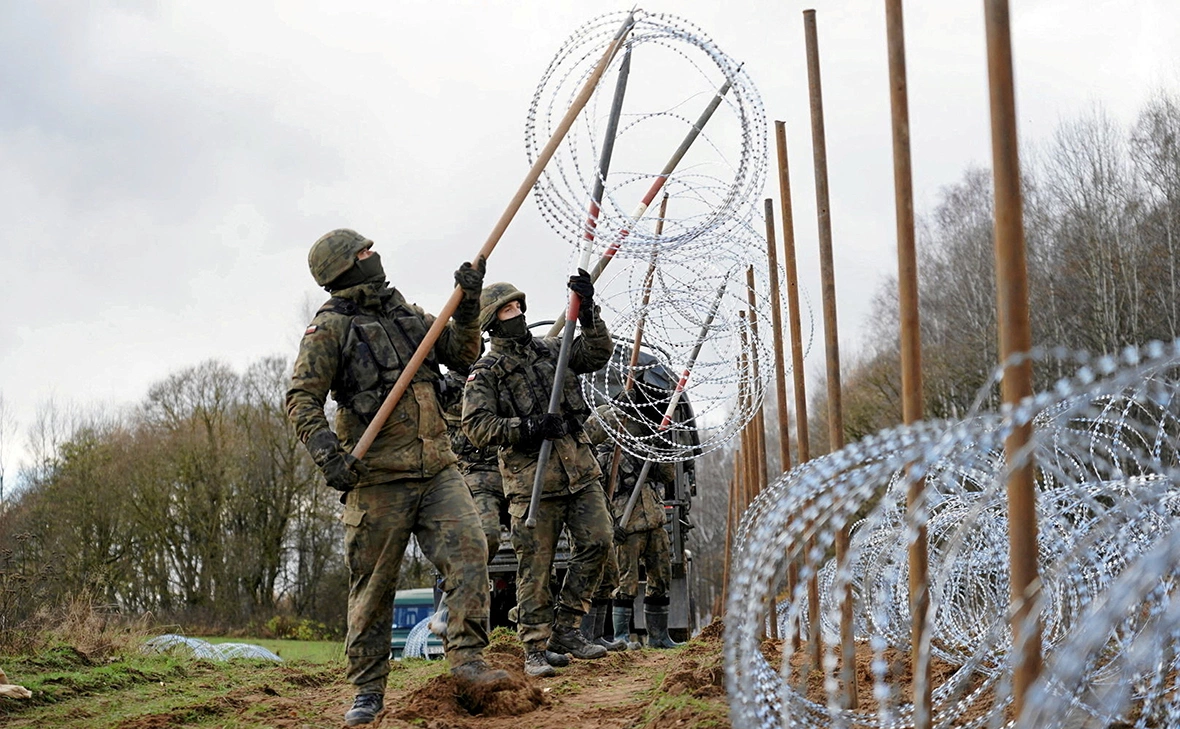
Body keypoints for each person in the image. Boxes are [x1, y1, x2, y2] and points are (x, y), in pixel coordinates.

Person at [286, 229, 510, 726]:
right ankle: (367, 690)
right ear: (343, 268)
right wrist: (330, 457)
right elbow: (301, 399)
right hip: (377, 479)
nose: (375, 257)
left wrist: (469, 302)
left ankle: (468, 660)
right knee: (373, 586)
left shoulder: (405, 313)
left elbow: (462, 353)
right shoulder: (331, 328)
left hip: (437, 468)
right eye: (364, 253)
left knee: (472, 548)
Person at [461, 274, 615, 677]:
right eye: (508, 310)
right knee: (536, 567)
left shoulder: (552, 350)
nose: (517, 314)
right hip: (532, 484)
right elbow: (476, 426)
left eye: (518, 307)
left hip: (579, 471)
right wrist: (529, 428)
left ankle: (567, 629)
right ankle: (534, 645)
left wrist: (588, 311)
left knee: (599, 541)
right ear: (492, 322)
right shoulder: (487, 372)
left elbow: (596, 354)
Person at [593, 396, 681, 650]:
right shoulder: (606, 451)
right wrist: (610, 524)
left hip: (653, 519)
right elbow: (598, 491)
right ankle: (622, 637)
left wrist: (659, 450)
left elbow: (666, 476)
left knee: (661, 577)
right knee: (625, 583)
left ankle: (659, 637)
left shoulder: (645, 443)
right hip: (625, 523)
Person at [438, 363, 507, 564]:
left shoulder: (495, 375)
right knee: (487, 536)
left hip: (512, 472)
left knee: (535, 543)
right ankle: (468, 581)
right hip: (476, 477)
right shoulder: (445, 388)